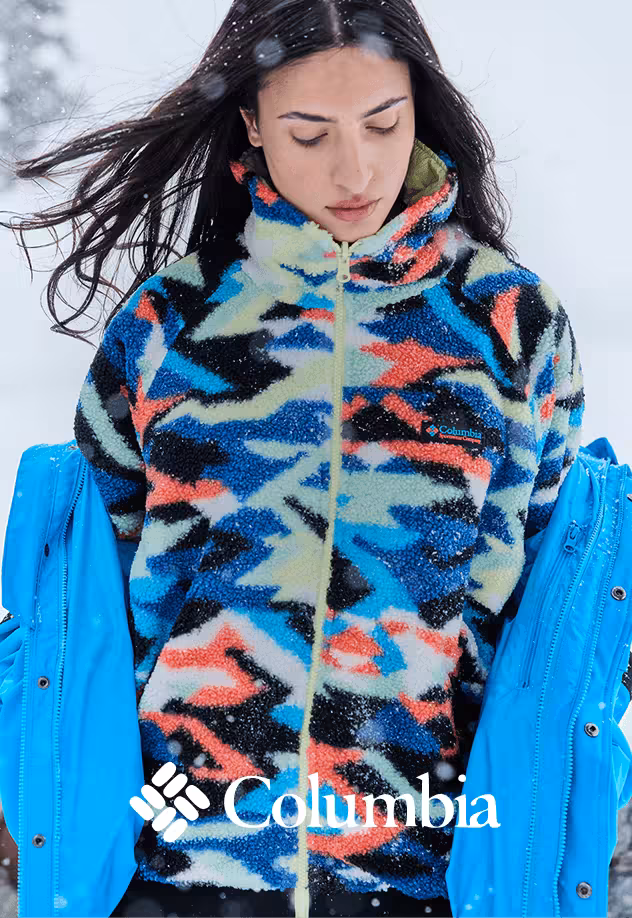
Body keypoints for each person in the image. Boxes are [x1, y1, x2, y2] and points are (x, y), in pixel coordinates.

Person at [0, 1, 584, 916]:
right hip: (183, 866)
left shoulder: (511, 326)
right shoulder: (170, 323)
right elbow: (93, 602)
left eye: (383, 124)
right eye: (310, 134)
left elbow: (542, 597)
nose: (355, 170)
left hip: (424, 866)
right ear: (252, 123)